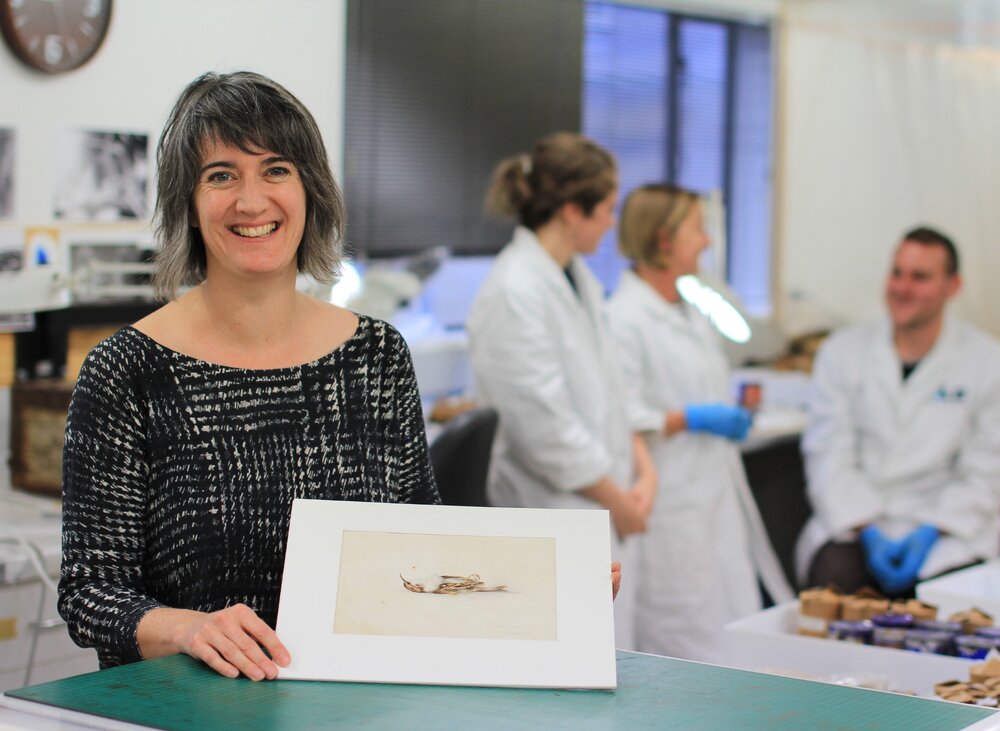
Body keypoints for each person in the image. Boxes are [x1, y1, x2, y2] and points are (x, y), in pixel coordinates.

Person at [57, 71, 441, 680]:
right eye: (221, 175)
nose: (251, 200)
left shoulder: (377, 356)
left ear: (309, 190)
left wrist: (532, 594)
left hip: (352, 710)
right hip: (192, 710)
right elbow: (89, 594)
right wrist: (186, 627)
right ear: (187, 202)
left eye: (276, 170)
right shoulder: (126, 371)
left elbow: (423, 543)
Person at [466, 133, 656, 651]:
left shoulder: (576, 279)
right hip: (550, 510)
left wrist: (641, 469)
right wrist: (620, 500)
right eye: (608, 210)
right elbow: (545, 431)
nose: (612, 223)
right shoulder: (515, 292)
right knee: (562, 675)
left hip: (595, 507)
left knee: (609, 661)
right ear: (573, 210)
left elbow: (611, 389)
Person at [606, 183, 792, 663]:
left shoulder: (690, 307)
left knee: (734, 638)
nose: (707, 241)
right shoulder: (623, 319)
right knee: (686, 649)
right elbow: (618, 415)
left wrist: (724, 412)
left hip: (712, 498)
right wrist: (688, 418)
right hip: (670, 507)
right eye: (698, 229)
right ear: (664, 239)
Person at [796, 226, 1000, 596]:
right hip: (858, 523)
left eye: (920, 277)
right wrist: (868, 529)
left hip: (947, 531)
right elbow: (829, 455)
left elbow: (986, 470)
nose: (902, 288)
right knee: (832, 582)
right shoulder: (843, 352)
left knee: (950, 604)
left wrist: (931, 530)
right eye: (897, 273)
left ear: (952, 287)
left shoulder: (988, 363)